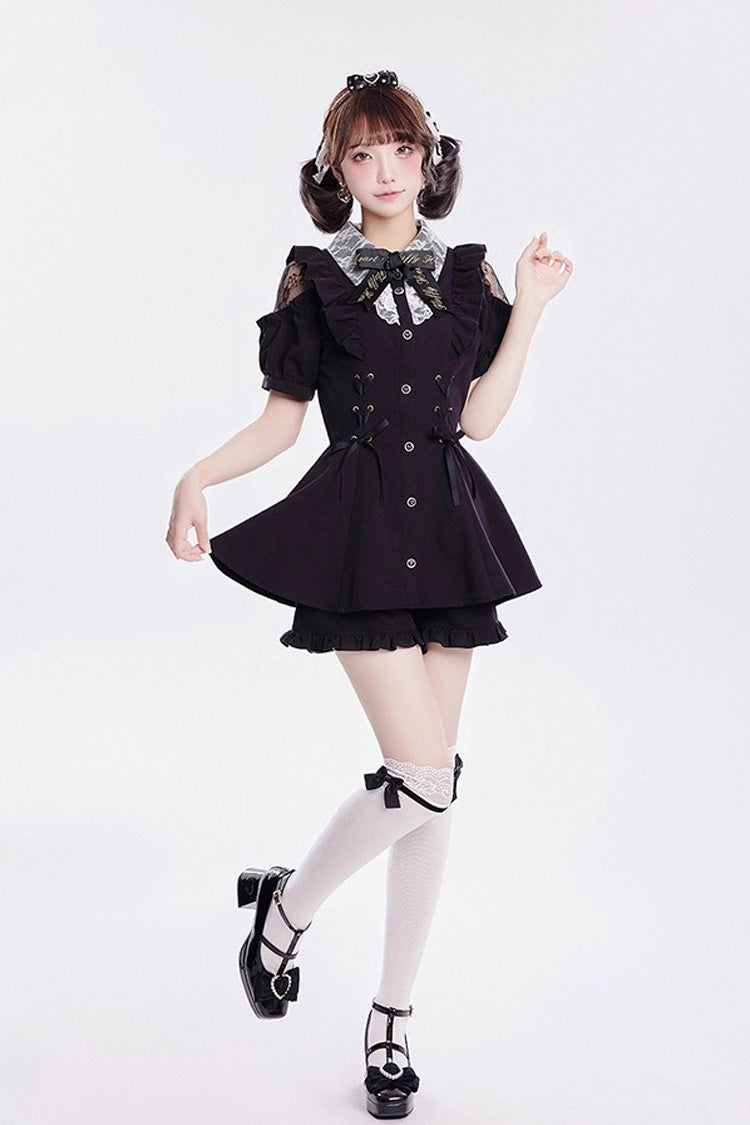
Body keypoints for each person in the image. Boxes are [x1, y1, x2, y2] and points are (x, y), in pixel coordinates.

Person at [166, 68, 572, 1119]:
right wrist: (197, 477)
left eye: (402, 149)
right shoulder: (316, 276)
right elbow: (282, 421)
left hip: (448, 527)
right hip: (357, 531)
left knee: (430, 787)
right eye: (363, 153)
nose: (386, 170)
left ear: (429, 160)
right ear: (336, 170)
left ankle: (390, 1018)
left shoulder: (469, 275)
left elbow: (478, 420)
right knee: (425, 775)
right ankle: (287, 914)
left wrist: (529, 309)